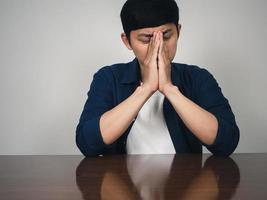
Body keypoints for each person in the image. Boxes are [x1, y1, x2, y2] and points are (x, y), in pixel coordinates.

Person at [75, 0, 240, 157]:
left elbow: (227, 143)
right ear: (127, 41)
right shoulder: (108, 78)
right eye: (147, 39)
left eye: (167, 36)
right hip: (123, 183)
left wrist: (169, 89)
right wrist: (146, 88)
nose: (158, 46)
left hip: (184, 182)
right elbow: (87, 143)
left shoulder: (198, 78)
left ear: (179, 32)